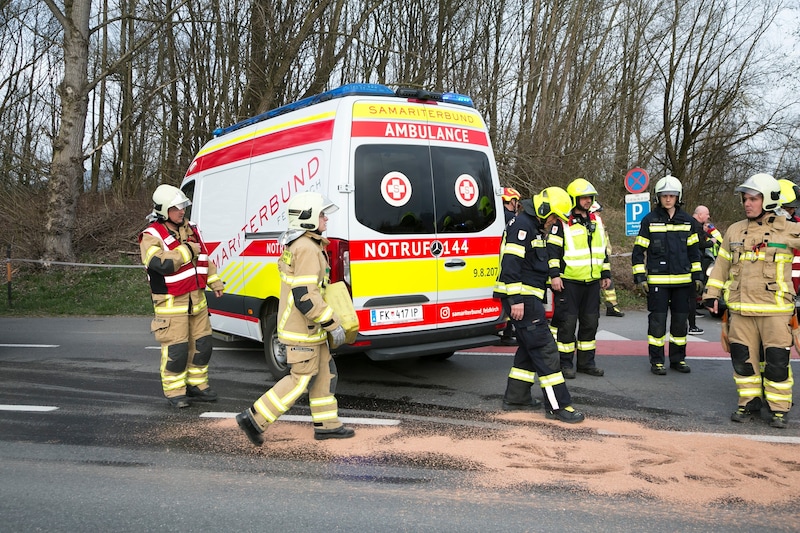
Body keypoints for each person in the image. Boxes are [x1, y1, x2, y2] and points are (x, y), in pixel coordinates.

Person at [236, 192, 355, 446]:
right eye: (322, 215)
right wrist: (332, 324)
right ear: (308, 218)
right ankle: (254, 419)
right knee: (300, 379)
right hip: (303, 329)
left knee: (325, 373)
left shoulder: (300, 244)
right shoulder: (307, 248)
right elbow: (305, 297)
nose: (326, 219)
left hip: (307, 328)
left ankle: (326, 424)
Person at [703, 173, 800, 429]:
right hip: (741, 309)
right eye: (745, 199)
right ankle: (749, 402)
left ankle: (779, 408)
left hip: (776, 310)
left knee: (778, 363)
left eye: (753, 198)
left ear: (767, 200)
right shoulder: (735, 230)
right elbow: (721, 265)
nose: (747, 203)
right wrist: (711, 294)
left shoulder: (788, 228)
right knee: (743, 361)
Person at [494, 186, 585, 423]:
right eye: (554, 216)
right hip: (522, 298)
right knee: (546, 351)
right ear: (544, 210)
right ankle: (558, 406)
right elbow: (511, 264)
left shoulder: (530, 225)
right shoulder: (524, 226)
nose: (554, 222)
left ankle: (516, 397)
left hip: (527, 297)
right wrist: (515, 300)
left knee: (528, 348)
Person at [139, 184, 225, 408]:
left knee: (203, 345)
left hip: (197, 300)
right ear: (164, 210)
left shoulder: (191, 228)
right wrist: (187, 250)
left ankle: (197, 385)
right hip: (171, 303)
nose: (182, 211)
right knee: (176, 351)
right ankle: (175, 391)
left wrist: (214, 280)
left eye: (183, 206)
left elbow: (204, 257)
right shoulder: (150, 235)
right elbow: (161, 263)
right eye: (176, 207)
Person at [632, 175, 703, 375]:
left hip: (683, 282)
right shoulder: (649, 220)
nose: (668, 199)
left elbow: (694, 253)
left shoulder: (688, 222)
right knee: (657, 324)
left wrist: (697, 277)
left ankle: (678, 360)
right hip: (658, 283)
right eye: (664, 196)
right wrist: (640, 277)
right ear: (658, 197)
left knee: (680, 324)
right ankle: (656, 361)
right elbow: (638, 252)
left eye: (672, 196)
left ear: (678, 197)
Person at [549, 178, 611, 378]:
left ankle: (586, 362)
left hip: (592, 282)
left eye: (590, 197)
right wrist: (554, 275)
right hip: (569, 283)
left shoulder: (596, 220)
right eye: (584, 197)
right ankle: (565, 363)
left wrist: (605, 273)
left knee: (590, 323)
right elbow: (552, 252)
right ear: (574, 199)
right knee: (567, 325)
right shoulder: (562, 223)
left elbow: (603, 250)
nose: (587, 201)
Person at [590, 202, 624, 317]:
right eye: (597, 212)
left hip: (602, 258)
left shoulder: (600, 225)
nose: (599, 214)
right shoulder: (591, 226)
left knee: (607, 282)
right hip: (592, 260)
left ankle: (611, 306)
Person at [498, 186, 522, 346]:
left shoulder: (500, 216)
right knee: (510, 300)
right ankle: (507, 333)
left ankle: (506, 330)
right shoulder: (511, 218)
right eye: (516, 202)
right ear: (511, 201)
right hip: (509, 265)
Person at [686, 205, 714, 335]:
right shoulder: (695, 226)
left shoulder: (693, 225)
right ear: (700, 214)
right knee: (691, 295)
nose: (708, 217)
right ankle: (692, 326)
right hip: (694, 263)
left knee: (689, 295)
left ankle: (690, 321)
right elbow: (698, 243)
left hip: (688, 263)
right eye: (707, 214)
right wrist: (711, 242)